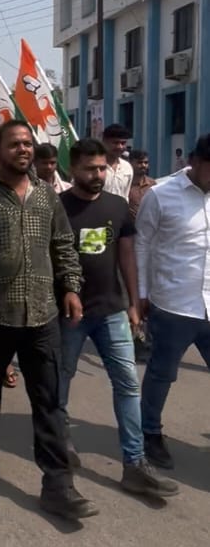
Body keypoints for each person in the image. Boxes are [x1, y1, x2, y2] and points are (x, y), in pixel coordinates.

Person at [0, 119, 96, 521]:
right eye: (14, 144)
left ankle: (58, 485)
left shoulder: (46, 195)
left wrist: (71, 288)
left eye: (28, 144)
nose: (23, 149)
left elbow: (63, 245)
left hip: (42, 315)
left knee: (48, 401)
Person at [59, 139, 177, 497]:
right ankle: (59, 441)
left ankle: (134, 463)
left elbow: (127, 255)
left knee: (127, 383)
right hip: (69, 313)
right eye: (90, 169)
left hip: (111, 310)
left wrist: (134, 302)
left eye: (101, 168)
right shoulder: (56, 207)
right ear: (72, 169)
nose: (98, 174)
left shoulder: (117, 206)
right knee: (61, 380)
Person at [135, 135, 210, 471]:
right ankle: (150, 431)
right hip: (173, 304)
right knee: (162, 374)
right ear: (194, 160)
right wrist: (141, 294)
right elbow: (142, 244)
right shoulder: (161, 195)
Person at [101, 124, 133, 198]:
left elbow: (125, 195)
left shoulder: (127, 167)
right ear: (104, 141)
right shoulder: (94, 166)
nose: (120, 147)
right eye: (115, 143)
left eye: (123, 143)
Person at [127, 150, 156, 220]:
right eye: (139, 162)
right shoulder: (125, 183)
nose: (143, 165)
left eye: (146, 163)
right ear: (130, 163)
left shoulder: (152, 184)